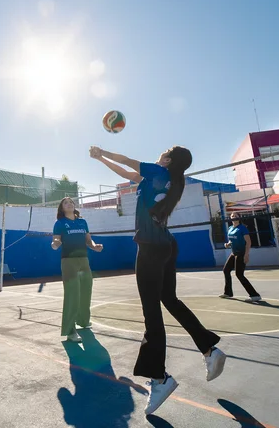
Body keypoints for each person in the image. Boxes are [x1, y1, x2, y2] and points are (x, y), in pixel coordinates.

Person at [90, 145, 226, 416]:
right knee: (169, 300)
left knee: (151, 313)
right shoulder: (172, 180)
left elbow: (127, 159)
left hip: (151, 248)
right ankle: (209, 349)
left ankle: (159, 378)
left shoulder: (158, 170)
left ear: (167, 159)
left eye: (162, 152)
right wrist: (102, 159)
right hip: (167, 244)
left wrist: (102, 150)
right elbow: (125, 170)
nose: (158, 155)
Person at [52, 197, 103, 343]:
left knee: (86, 290)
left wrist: (95, 246)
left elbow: (88, 240)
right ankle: (70, 330)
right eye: (65, 203)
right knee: (72, 294)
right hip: (68, 261)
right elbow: (57, 239)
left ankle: (83, 321)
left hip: (84, 260)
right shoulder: (60, 223)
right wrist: (55, 243)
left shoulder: (82, 222)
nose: (69, 204)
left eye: (71, 202)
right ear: (62, 208)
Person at [220, 213, 262, 302]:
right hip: (233, 253)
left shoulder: (242, 228)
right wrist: (227, 244)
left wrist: (246, 255)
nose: (234, 218)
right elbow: (231, 240)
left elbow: (248, 242)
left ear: (239, 218)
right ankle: (228, 292)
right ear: (230, 218)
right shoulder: (230, 228)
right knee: (226, 270)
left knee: (239, 274)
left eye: (236, 216)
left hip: (241, 253)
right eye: (232, 216)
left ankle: (255, 295)